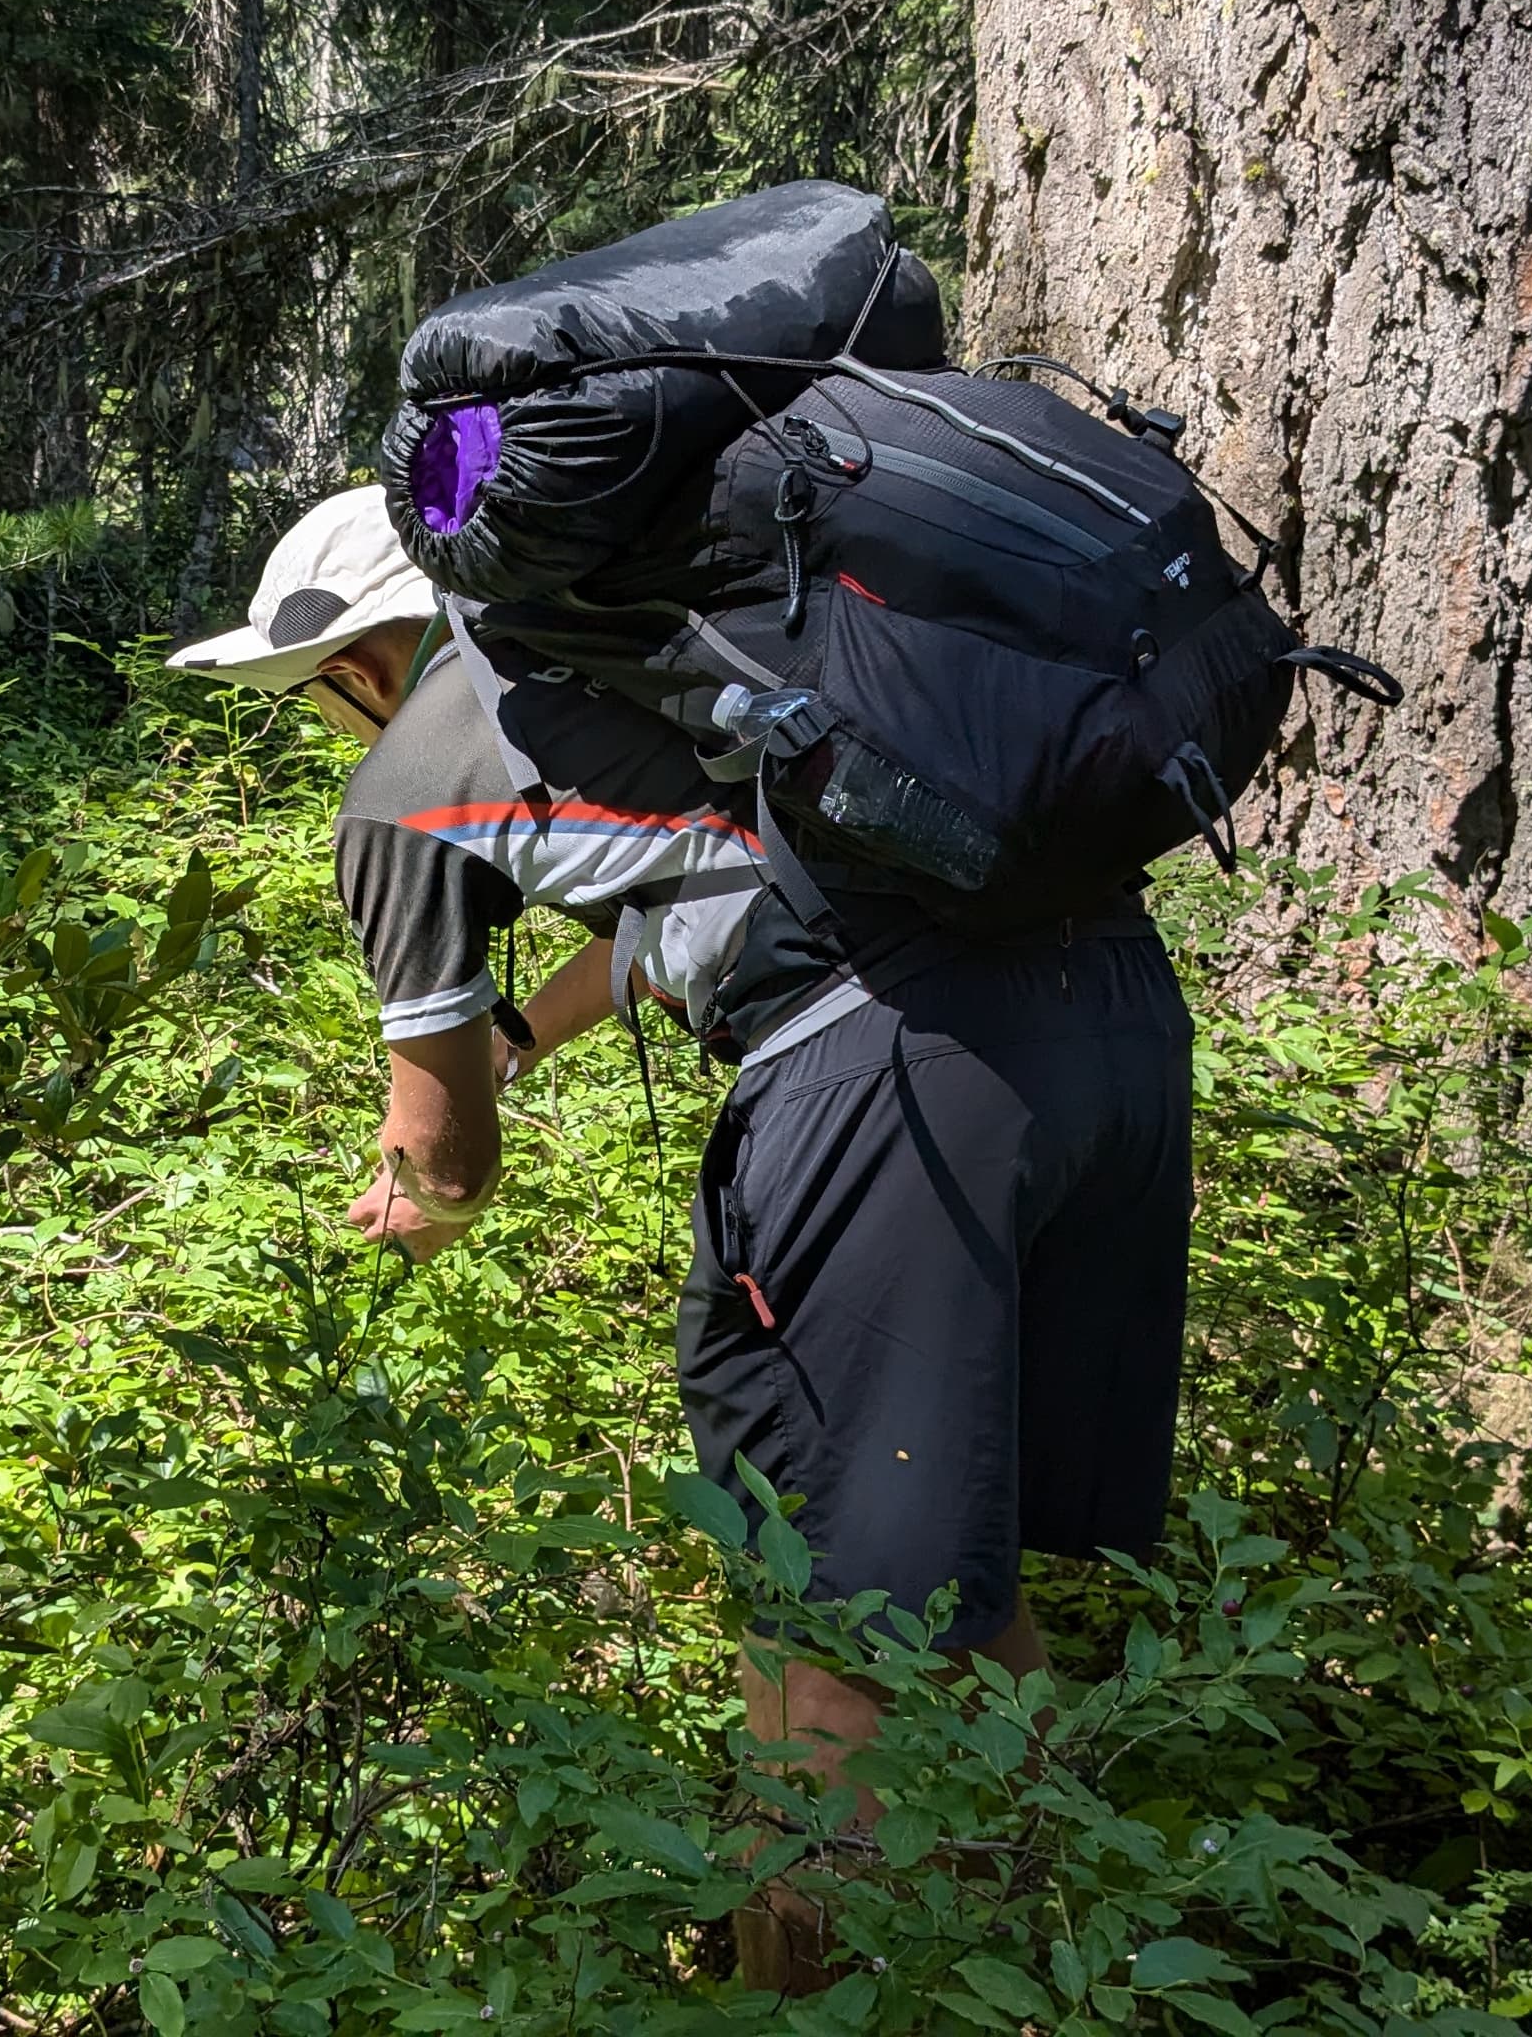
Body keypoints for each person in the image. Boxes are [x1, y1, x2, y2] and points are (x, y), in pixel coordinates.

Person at [172, 489, 1196, 1986]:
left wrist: (432, 1201)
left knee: (818, 1594)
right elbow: (701, 906)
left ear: (355, 665)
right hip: (1112, 1031)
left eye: (312, 698)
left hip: (892, 1086)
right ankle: (1058, 1954)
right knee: (939, 1557)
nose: (331, 726)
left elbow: (439, 1146)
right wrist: (527, 1032)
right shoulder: (682, 672)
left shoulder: (406, 779)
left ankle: (813, 1995)